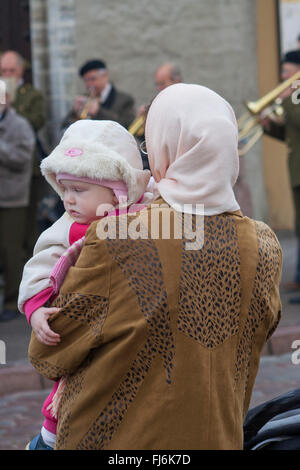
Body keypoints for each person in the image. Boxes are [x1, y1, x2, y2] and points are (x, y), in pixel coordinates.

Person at [28, 83, 282, 450]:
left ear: (167, 149)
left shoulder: (120, 235)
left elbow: (49, 352)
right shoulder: (264, 245)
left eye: (150, 145)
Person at [18, 119, 151, 450]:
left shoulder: (145, 215)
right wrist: (37, 309)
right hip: (82, 331)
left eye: (78, 190)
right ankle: (49, 440)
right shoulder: (67, 229)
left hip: (132, 332)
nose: (68, 201)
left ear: (119, 189)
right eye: (64, 190)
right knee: (69, 394)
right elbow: (39, 269)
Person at [260, 49, 300, 298]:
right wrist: (268, 127)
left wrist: (288, 97)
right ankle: (298, 278)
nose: (283, 76)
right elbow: (291, 135)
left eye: (287, 71)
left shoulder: (295, 97)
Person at [0, 50, 46, 263]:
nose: (7, 74)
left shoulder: (31, 94)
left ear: (20, 71)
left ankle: (30, 267)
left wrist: (10, 108)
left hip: (28, 170)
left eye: (12, 70)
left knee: (27, 226)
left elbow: (37, 120)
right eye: (3, 70)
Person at [0, 84, 35, 322]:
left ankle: (13, 301)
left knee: (10, 251)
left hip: (12, 197)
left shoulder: (20, 125)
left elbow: (23, 159)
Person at [62, 59, 135, 131]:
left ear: (105, 76)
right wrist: (75, 113)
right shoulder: (85, 98)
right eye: (86, 80)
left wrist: (98, 112)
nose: (89, 84)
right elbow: (63, 127)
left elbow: (126, 128)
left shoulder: (125, 100)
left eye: (93, 79)